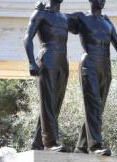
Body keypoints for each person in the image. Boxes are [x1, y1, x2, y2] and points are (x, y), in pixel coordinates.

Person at [68, 0, 117, 156]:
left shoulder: (107, 21)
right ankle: (95, 146)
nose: (102, 1)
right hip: (89, 65)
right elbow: (58, 21)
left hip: (105, 67)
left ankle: (81, 146)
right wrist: (47, 9)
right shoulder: (81, 18)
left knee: (98, 109)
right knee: (93, 107)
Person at [23, 0, 69, 152]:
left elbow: (86, 22)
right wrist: (31, 62)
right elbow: (27, 38)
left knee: (55, 104)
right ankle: (50, 142)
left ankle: (37, 143)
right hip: (47, 58)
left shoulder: (64, 17)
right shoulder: (40, 13)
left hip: (62, 61)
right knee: (48, 101)